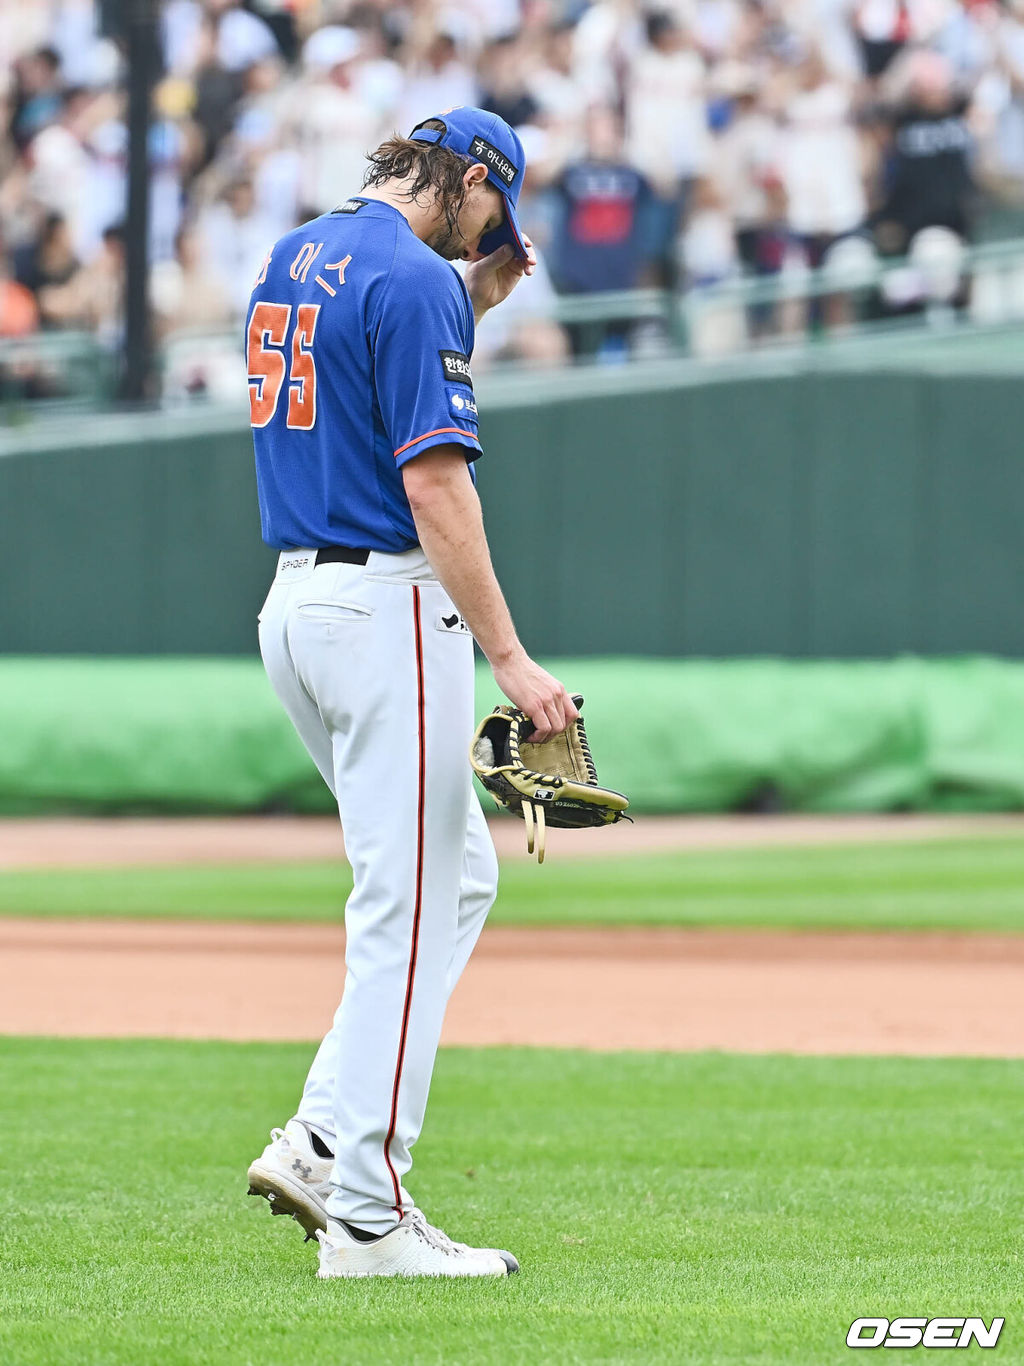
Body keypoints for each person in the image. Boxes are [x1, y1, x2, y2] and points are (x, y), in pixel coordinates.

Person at [245, 107, 577, 1279]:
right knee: (405, 903)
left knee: (453, 879)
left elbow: (356, 383)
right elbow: (432, 484)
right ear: (473, 180)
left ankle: (323, 1131)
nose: (494, 234)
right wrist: (510, 655)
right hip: (386, 605)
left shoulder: (297, 251)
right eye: (496, 209)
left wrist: (470, 306)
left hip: (295, 605)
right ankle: (370, 1215)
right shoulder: (415, 277)